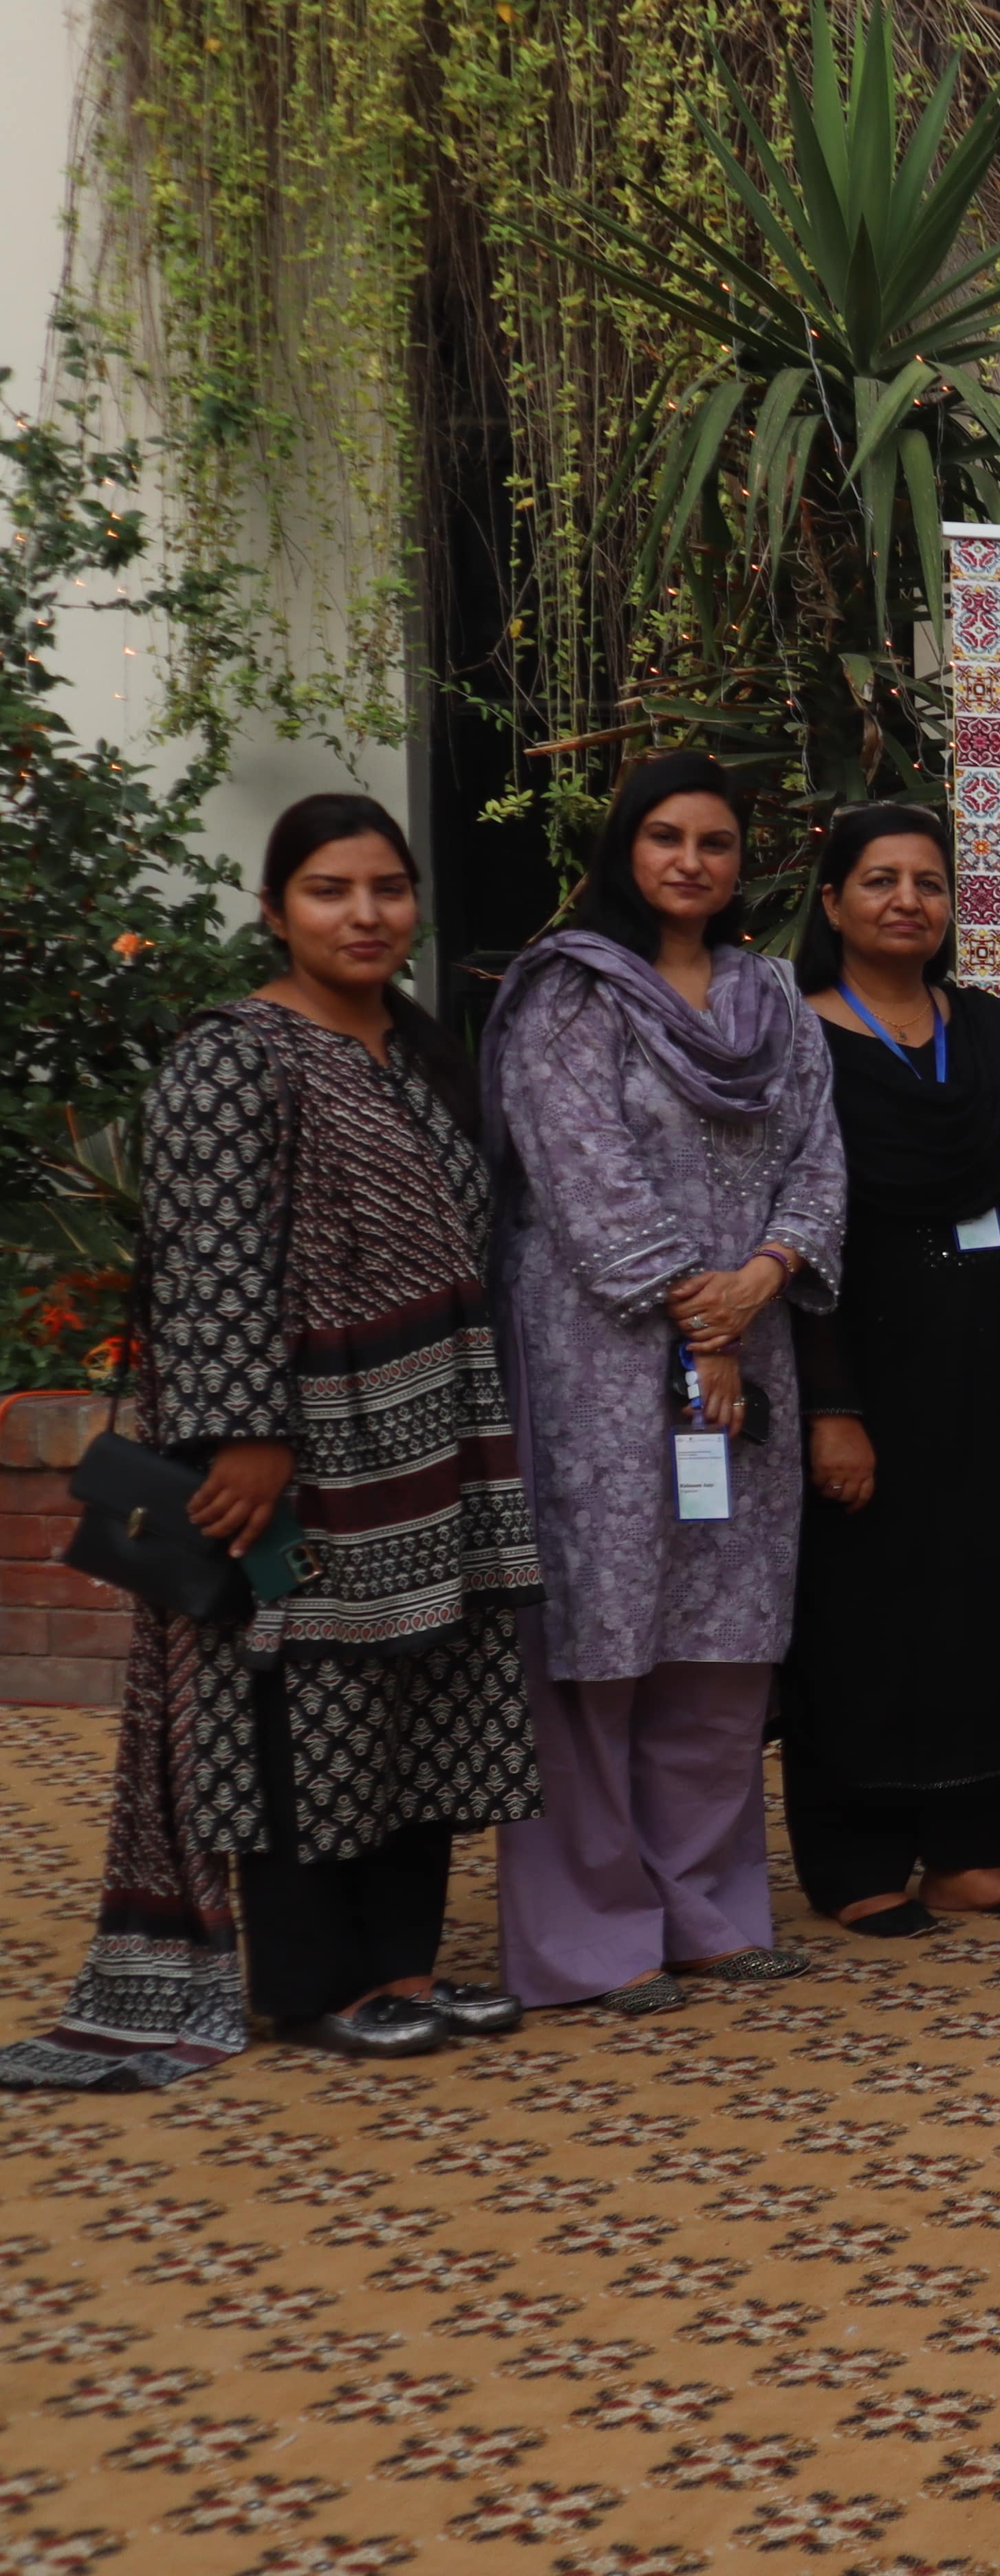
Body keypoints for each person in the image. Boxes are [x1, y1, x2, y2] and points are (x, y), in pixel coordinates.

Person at [1, 799, 543, 2084]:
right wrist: (244, 1436)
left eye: (388, 889)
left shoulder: (414, 1049)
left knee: (426, 1692)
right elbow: (210, 1259)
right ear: (275, 910)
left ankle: (404, 1967)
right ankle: (312, 1984)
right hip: (308, 1448)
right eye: (329, 891)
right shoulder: (232, 1058)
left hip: (436, 1438)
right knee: (308, 1699)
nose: (365, 915)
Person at [486, 752, 843, 2011]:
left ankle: (706, 1911)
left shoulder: (771, 999)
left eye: (716, 842)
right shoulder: (568, 994)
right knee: (601, 1636)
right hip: (601, 1354)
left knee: (723, 1636)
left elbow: (820, 1161)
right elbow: (580, 1174)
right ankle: (593, 1936)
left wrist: (765, 1277)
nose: (691, 861)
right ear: (625, 850)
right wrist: (707, 1323)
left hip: (751, 1347)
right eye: (666, 838)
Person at [783, 805, 1000, 1935]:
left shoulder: (992, 1030)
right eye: (880, 880)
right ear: (832, 902)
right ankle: (856, 1859)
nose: (907, 900)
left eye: (928, 881)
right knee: (866, 1608)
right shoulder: (797, 1041)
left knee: (995, 1593)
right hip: (869, 1362)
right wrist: (831, 1406)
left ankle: (971, 1852)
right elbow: (795, 1233)